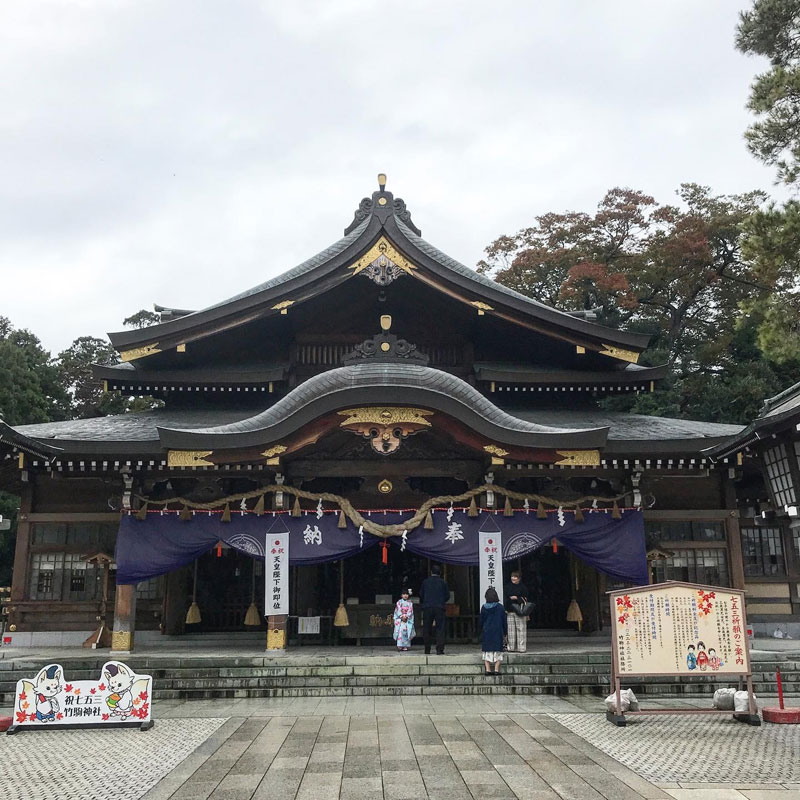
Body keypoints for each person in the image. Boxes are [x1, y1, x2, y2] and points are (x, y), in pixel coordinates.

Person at [419, 564, 449, 655]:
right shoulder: (443, 582)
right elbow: (447, 596)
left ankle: (427, 649)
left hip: (427, 607)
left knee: (427, 627)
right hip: (439, 607)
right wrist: (441, 601)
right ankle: (439, 649)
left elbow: (421, 594)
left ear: (431, 572)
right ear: (440, 573)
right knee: (440, 628)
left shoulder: (425, 582)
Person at [480, 587, 508, 676]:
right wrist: (505, 632)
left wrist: (480, 630)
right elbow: (504, 621)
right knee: (498, 650)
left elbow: (481, 621)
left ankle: (488, 669)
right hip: (497, 630)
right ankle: (496, 669)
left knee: (487, 651)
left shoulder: (484, 607)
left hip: (487, 630)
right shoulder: (500, 607)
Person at [503, 570, 530, 653]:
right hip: (510, 610)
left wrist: (517, 598)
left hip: (520, 611)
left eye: (515, 577)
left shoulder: (523, 587)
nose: (513, 578)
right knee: (510, 630)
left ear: (519, 578)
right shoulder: (507, 587)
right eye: (512, 576)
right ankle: (510, 647)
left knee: (521, 629)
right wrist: (505, 608)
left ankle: (521, 648)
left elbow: (526, 599)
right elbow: (505, 598)